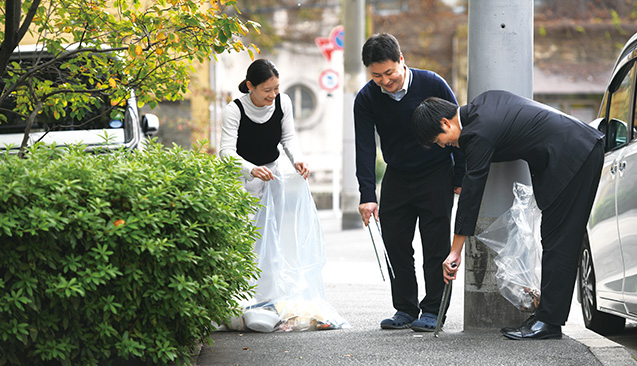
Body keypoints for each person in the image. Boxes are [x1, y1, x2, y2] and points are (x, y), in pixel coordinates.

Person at [411, 89, 604, 340]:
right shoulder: (483, 104)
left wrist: (455, 250)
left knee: (560, 241)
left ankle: (549, 322)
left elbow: (472, 191)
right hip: (579, 147)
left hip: (574, 155)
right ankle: (547, 316)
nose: (444, 145)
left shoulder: (477, 133)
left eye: (440, 139)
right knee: (556, 238)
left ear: (445, 122)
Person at [354, 33, 465, 332]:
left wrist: (460, 175)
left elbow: (457, 128)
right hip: (398, 175)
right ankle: (404, 307)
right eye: (376, 75)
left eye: (389, 72)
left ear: (401, 60)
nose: (385, 81)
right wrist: (367, 194)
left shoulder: (432, 83)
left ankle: (433, 310)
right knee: (396, 244)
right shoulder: (366, 98)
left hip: (436, 173)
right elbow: (364, 147)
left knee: (435, 246)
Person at [220, 58, 309, 199]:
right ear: (250, 86)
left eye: (276, 88)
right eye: (267, 90)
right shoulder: (235, 110)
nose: (273, 95)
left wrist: (297, 159)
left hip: (272, 176)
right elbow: (226, 151)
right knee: (247, 220)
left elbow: (288, 138)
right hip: (241, 179)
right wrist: (251, 169)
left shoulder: (283, 102)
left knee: (273, 220)